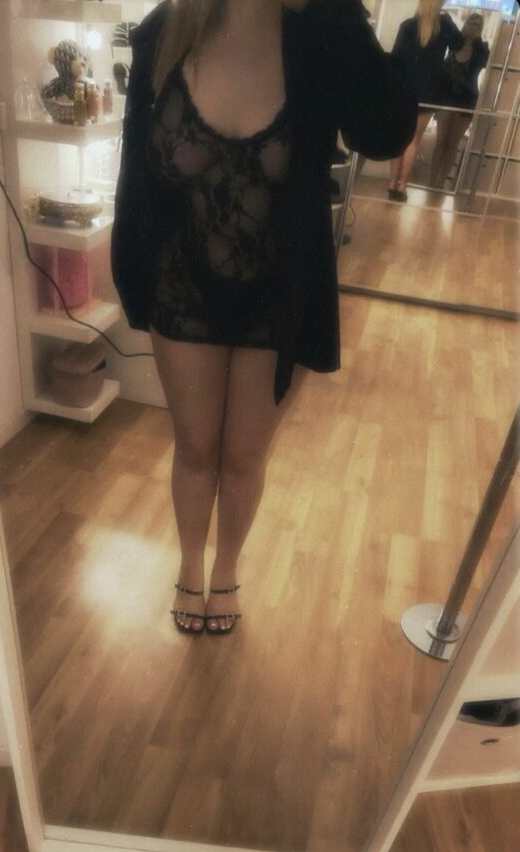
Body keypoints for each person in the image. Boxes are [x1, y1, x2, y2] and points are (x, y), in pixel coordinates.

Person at [111, 0, 417, 635]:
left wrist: (344, 17)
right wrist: (130, 274)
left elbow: (387, 131)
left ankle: (226, 570)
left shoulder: (319, 31)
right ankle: (189, 567)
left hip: (278, 293)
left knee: (245, 455)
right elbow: (134, 170)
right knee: (196, 447)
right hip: (182, 284)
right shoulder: (164, 31)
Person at [388, 0, 464, 201]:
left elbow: (396, 58)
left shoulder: (407, 26)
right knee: (414, 141)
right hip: (429, 91)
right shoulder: (444, 26)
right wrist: (447, 20)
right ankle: (402, 186)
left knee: (398, 138)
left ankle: (391, 183)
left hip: (404, 89)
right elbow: (458, 44)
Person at [430, 12, 489, 189]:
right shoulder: (454, 42)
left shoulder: (481, 48)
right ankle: (432, 180)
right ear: (465, 22)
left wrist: (476, 40)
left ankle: (441, 181)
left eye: (478, 24)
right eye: (472, 21)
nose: (474, 25)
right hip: (447, 97)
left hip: (467, 99)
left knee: (453, 144)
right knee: (441, 139)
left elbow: (485, 62)